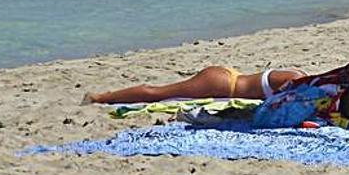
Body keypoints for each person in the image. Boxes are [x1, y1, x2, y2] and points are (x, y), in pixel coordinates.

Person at [85, 65, 307, 104]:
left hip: (226, 76)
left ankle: (105, 96)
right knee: (157, 94)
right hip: (221, 85)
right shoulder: (295, 82)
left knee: (160, 92)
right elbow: (275, 109)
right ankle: (100, 97)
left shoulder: (300, 75)